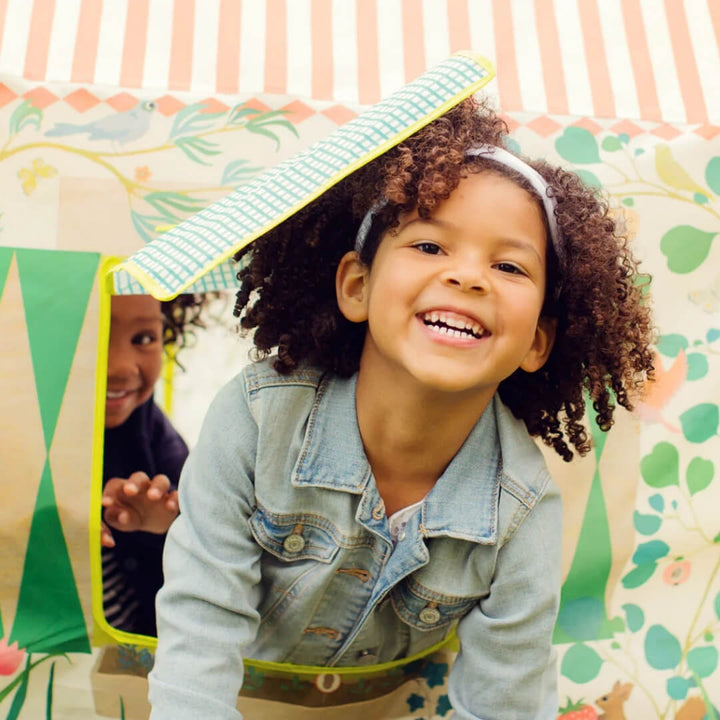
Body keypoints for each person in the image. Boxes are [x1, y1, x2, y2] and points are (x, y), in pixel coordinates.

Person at [148, 96, 655, 719]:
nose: (470, 277)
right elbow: (202, 622)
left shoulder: (521, 510)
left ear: (537, 342)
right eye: (430, 247)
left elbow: (507, 699)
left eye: (508, 265)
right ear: (357, 286)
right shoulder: (256, 419)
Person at [101, 293, 205, 637]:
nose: (120, 367)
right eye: (95, 335)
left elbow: (201, 545)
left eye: (143, 339)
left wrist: (161, 526)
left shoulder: (152, 430)